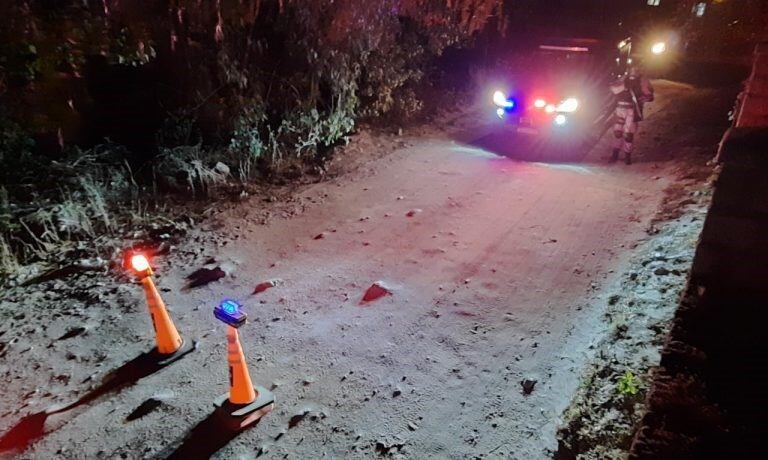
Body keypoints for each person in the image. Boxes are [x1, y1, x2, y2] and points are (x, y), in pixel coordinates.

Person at [609, 64, 654, 164]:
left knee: (628, 134)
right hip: (620, 109)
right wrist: (624, 86)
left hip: (632, 111)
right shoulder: (623, 79)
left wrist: (641, 97)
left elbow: (649, 96)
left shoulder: (643, 81)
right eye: (632, 69)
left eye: (636, 69)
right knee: (617, 132)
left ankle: (627, 156)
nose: (634, 71)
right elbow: (613, 88)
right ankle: (615, 155)